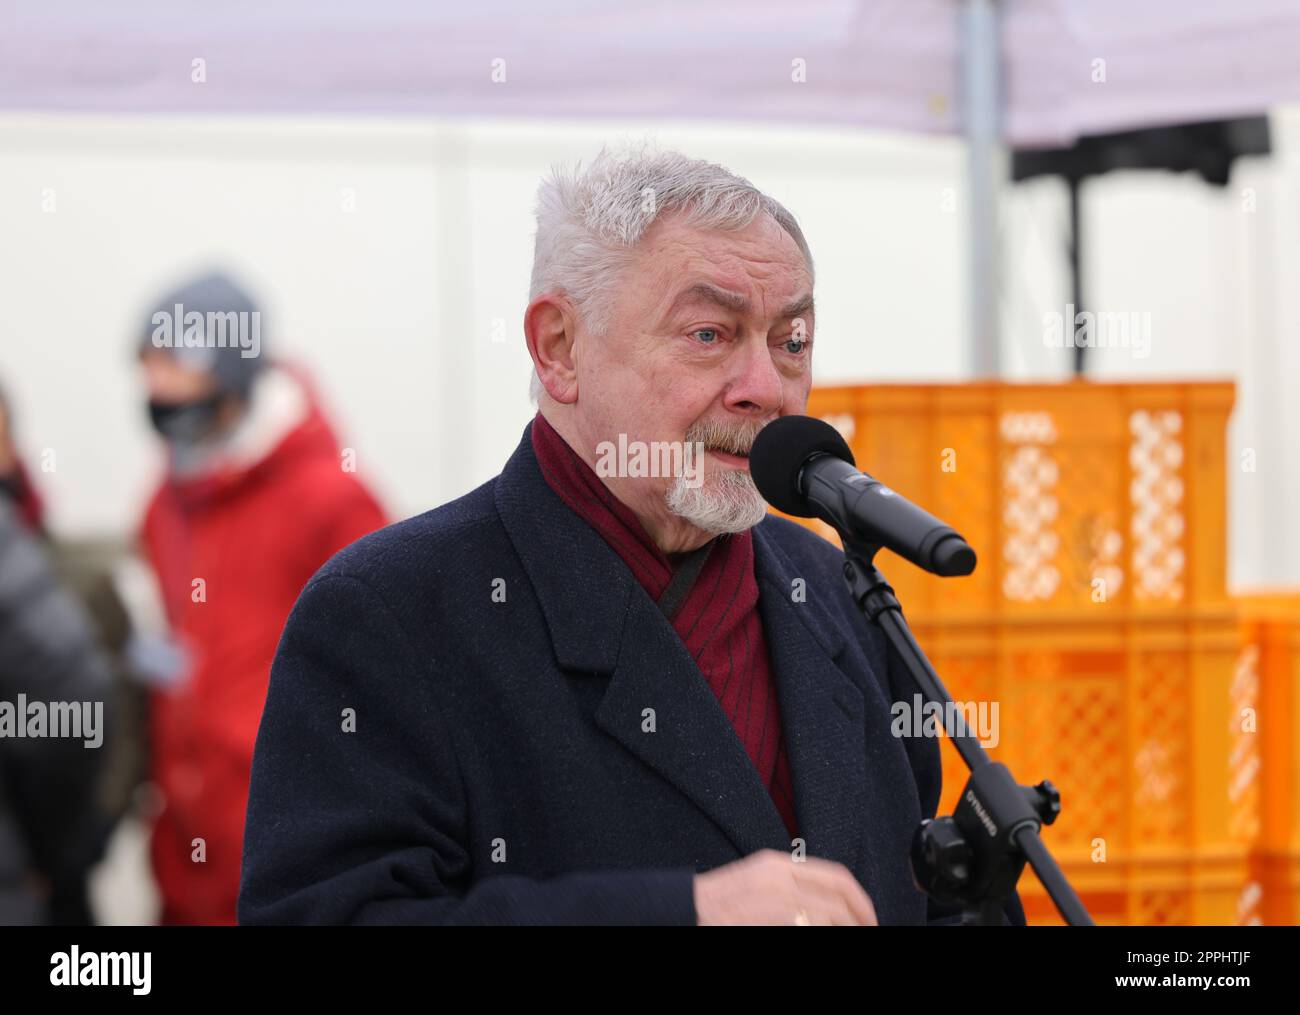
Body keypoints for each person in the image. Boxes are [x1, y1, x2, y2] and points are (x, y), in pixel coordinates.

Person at [239, 149, 1026, 926]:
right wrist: (684, 914)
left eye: (791, 341)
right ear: (560, 348)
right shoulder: (391, 615)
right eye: (711, 333)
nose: (767, 388)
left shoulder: (834, 593)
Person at [136, 271, 387, 924]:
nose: (156, 388)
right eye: (147, 365)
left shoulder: (330, 499)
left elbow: (390, 677)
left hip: (286, 855)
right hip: (187, 857)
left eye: (173, 365)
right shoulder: (165, 502)